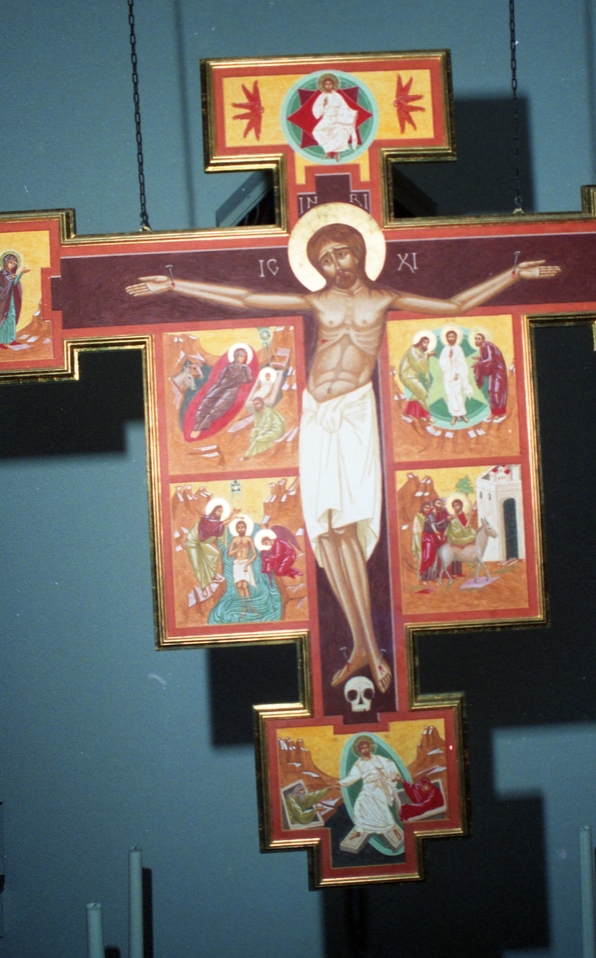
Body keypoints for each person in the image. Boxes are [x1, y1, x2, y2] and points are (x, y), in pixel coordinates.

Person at [127, 209, 559, 695]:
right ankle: (360, 647)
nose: (337, 265)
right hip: (317, 413)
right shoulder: (317, 300)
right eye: (327, 259)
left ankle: (369, 647)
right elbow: (246, 298)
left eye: (343, 254)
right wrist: (174, 284)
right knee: (326, 531)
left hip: (353, 412)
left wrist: (514, 274)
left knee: (348, 527)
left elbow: (454, 305)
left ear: (360, 253)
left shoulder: (385, 298)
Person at [338, 736, 404, 852]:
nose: (365, 750)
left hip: (379, 786)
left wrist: (395, 774)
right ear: (359, 750)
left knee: (382, 808)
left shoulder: (378, 759)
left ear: (370, 748)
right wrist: (341, 783)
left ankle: (393, 829)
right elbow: (353, 777)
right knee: (359, 806)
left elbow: (389, 764)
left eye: (367, 747)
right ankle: (360, 830)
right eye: (363, 748)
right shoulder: (359, 764)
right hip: (368, 787)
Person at [190, 347, 253, 437]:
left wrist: (239, 379)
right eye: (241, 356)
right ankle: (197, 424)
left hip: (231, 391)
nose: (243, 358)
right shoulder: (228, 367)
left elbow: (249, 379)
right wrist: (212, 390)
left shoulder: (245, 368)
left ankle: (199, 428)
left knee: (217, 408)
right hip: (221, 387)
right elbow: (219, 379)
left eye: (244, 357)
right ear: (236, 356)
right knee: (205, 402)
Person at [311, 74, 358, 158]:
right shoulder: (321, 97)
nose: (328, 86)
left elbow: (345, 107)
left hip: (337, 118)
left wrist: (353, 114)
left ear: (333, 85)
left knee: (339, 133)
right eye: (326, 84)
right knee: (317, 131)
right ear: (323, 86)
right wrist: (323, 104)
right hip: (327, 118)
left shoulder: (338, 96)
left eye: (330, 84)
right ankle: (328, 148)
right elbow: (316, 109)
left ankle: (337, 152)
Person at [472, 331, 508, 422]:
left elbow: (490, 360)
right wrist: (479, 359)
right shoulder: (482, 348)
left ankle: (500, 413)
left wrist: (479, 363)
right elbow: (487, 359)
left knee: (497, 391)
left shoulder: (487, 345)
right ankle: (494, 413)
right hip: (493, 372)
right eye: (476, 339)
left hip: (498, 371)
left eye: (479, 339)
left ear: (483, 340)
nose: (477, 340)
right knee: (491, 391)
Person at [439, 329, 471, 424]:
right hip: (448, 375)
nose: (451, 338)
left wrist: (457, 372)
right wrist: (448, 357)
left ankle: (462, 414)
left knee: (457, 394)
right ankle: (454, 415)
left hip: (457, 375)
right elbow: (441, 362)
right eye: (449, 336)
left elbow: (462, 363)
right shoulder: (445, 349)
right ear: (446, 338)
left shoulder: (458, 349)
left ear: (456, 338)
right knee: (450, 394)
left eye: (453, 336)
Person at [398, 334, 433, 420]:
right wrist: (427, 356)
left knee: (417, 395)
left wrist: (427, 379)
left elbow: (424, 369)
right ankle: (427, 416)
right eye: (425, 342)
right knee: (423, 394)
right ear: (420, 342)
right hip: (407, 375)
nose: (426, 345)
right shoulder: (412, 350)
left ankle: (407, 413)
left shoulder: (422, 353)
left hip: (414, 376)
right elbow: (416, 364)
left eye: (428, 343)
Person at [227, 518, 257, 606]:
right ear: (236, 529)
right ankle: (244, 607)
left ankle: (251, 606)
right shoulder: (234, 539)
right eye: (239, 527)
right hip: (237, 563)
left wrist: (247, 564)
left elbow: (254, 554)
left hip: (245, 562)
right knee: (239, 586)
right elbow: (229, 554)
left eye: (243, 527)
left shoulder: (249, 539)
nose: (241, 529)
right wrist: (237, 550)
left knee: (244, 585)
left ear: (246, 528)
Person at [0, 251, 25, 347]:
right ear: (5, 262)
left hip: (11, 300)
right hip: (4, 301)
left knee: (12, 318)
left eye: (14, 263)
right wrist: (21, 274)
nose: (12, 265)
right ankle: (1, 341)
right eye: (11, 262)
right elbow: (10, 284)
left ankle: (11, 340)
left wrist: (15, 278)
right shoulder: (2, 274)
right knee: (4, 319)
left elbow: (14, 284)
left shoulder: (10, 274)